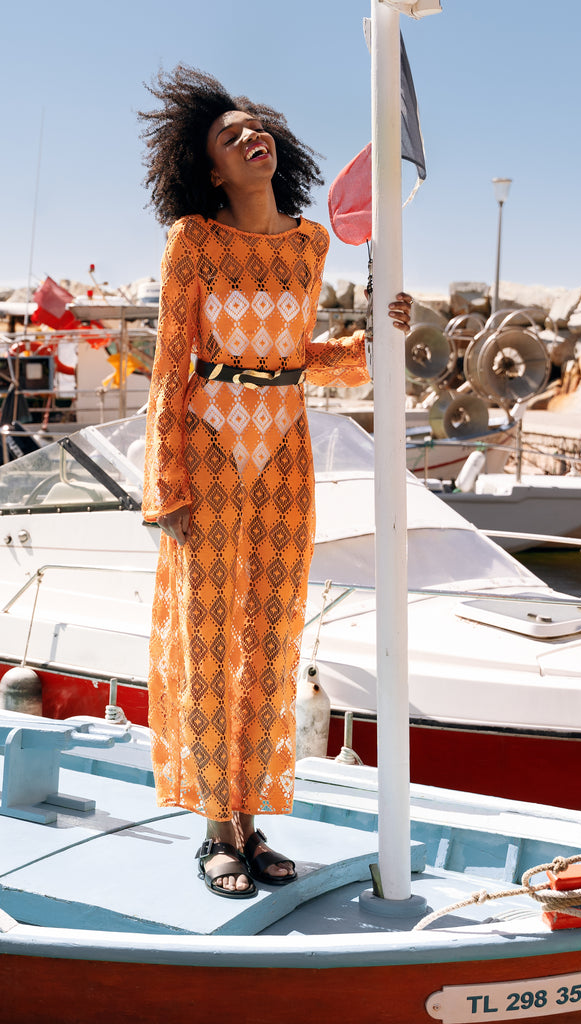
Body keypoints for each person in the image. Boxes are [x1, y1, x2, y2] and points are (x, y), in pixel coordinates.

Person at [139, 65, 411, 899]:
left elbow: (294, 360)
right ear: (211, 167)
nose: (250, 135)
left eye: (257, 125)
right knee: (210, 643)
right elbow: (167, 371)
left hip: (284, 458)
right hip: (211, 453)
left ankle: (253, 821)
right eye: (230, 134)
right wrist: (166, 488)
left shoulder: (308, 244)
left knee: (269, 640)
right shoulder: (193, 241)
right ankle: (217, 830)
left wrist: (374, 341)